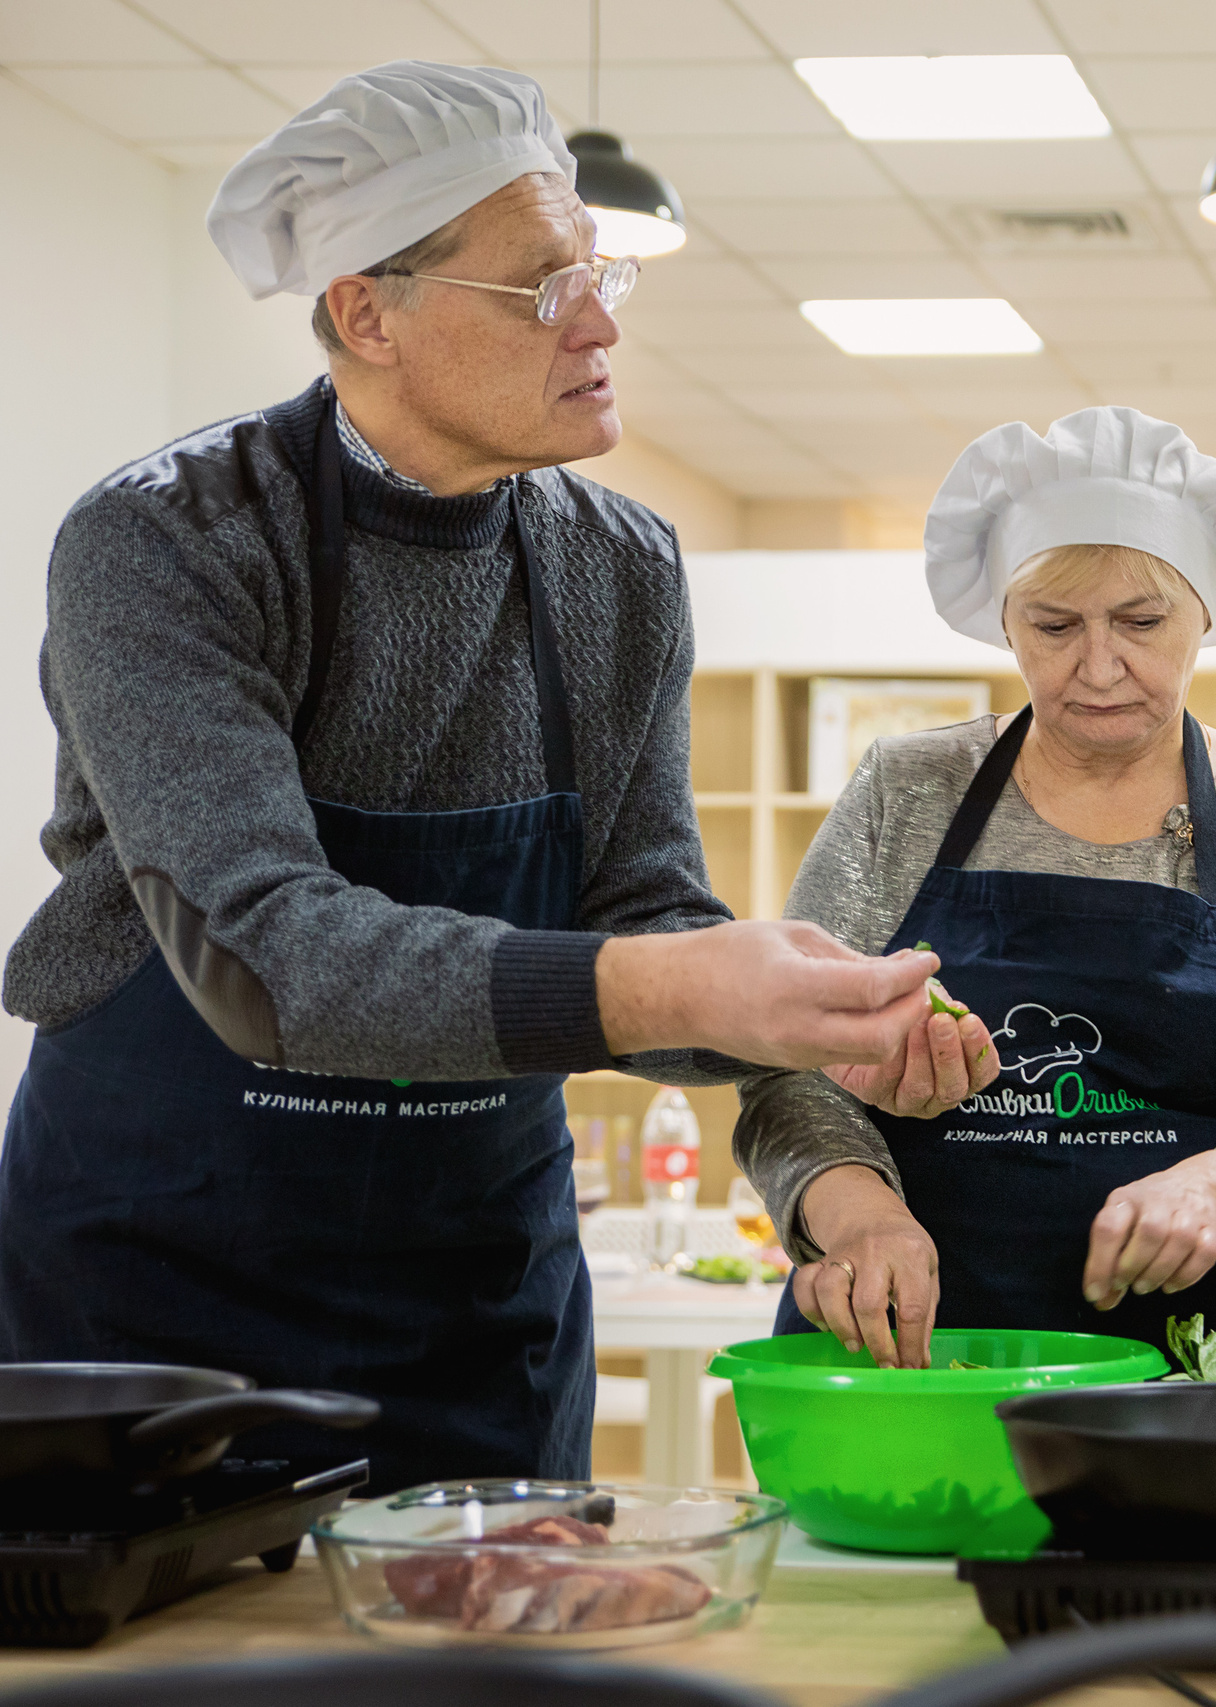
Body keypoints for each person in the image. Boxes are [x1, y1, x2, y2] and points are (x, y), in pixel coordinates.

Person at [0, 63, 941, 1492]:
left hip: (473, 1325)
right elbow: (265, 955)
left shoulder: (618, 566)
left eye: (597, 268)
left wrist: (808, 1014)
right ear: (370, 311)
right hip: (154, 1306)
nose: (602, 319)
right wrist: (674, 989)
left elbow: (646, 904)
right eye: (541, 284)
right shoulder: (170, 544)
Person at [735, 406, 1216, 1366]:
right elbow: (786, 1057)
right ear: (1005, 619)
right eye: (1054, 625)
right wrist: (859, 1215)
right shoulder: (904, 790)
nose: (1098, 666)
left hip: (1191, 1362)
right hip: (913, 1347)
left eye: (1141, 622)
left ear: (1203, 616)